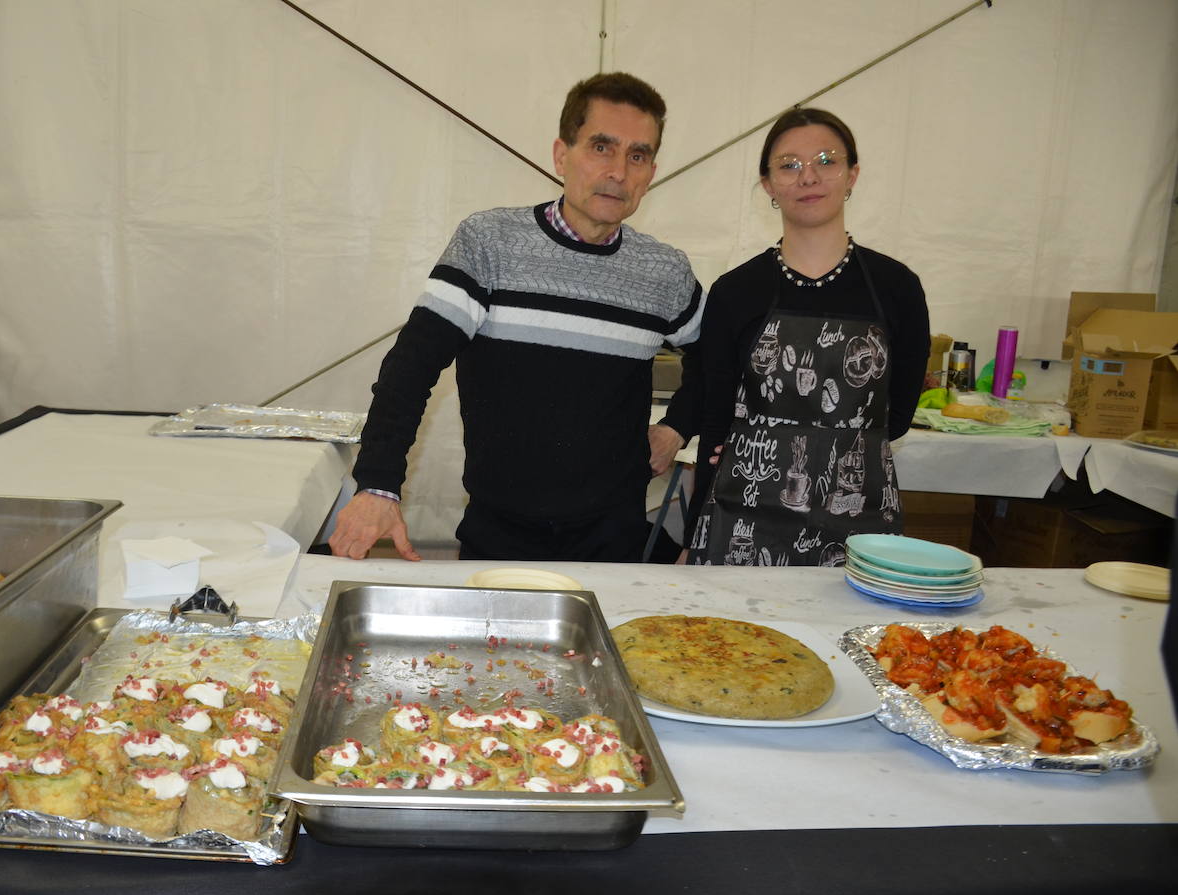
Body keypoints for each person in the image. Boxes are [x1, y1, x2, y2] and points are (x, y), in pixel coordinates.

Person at [327, 72, 704, 562]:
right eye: (601, 147)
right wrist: (378, 485)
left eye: (637, 155)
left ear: (651, 172)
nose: (618, 171)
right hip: (498, 531)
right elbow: (410, 368)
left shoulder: (665, 272)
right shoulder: (490, 244)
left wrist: (677, 425)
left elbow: (718, 364)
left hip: (615, 535)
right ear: (560, 155)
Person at [681, 107, 929, 567]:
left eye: (826, 160)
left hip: (858, 523)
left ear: (852, 174)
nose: (807, 177)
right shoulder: (735, 291)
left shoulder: (897, 288)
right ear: (768, 185)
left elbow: (896, 418)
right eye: (789, 165)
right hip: (745, 520)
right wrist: (693, 536)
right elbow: (715, 423)